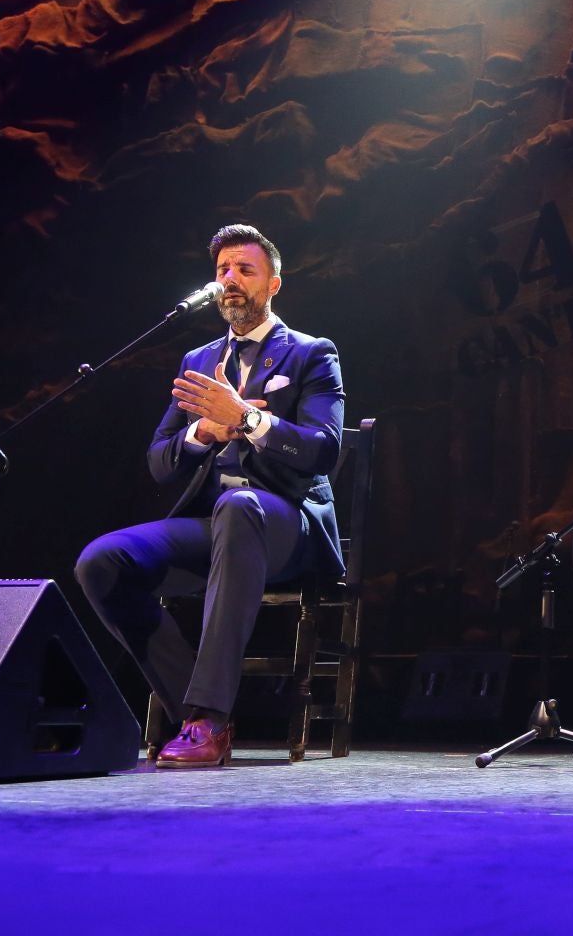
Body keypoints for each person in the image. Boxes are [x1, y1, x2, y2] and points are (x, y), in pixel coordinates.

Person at [75, 223, 346, 768]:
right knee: (101, 562)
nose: (230, 280)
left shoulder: (312, 354)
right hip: (217, 525)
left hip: (285, 524)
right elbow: (159, 462)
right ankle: (192, 712)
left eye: (245, 270)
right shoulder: (198, 361)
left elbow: (323, 450)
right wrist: (205, 432)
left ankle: (209, 719)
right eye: (222, 271)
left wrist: (244, 418)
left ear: (273, 285)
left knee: (240, 506)